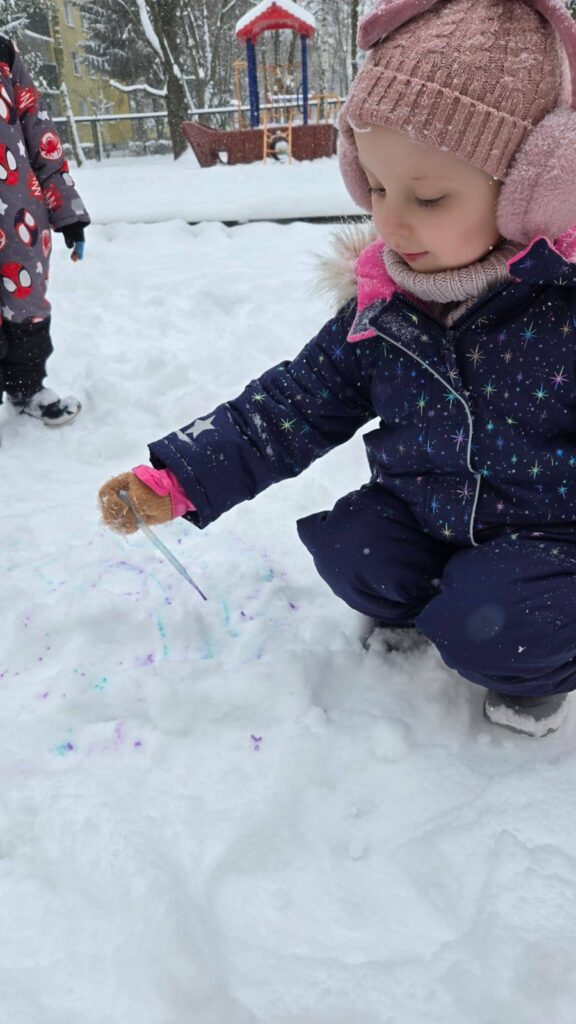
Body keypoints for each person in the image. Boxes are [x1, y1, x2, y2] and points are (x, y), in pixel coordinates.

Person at [99, 0, 576, 738]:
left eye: (428, 196)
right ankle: (440, 608)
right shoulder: (384, 310)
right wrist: (180, 478)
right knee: (352, 543)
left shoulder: (563, 312)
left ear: (530, 189)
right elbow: (289, 406)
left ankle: (534, 676)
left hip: (550, 550)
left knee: (505, 617)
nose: (391, 222)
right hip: (431, 519)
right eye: (377, 188)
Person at [0, 35, 89, 427]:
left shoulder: (3, 54)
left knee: (26, 306)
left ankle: (26, 388)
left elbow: (38, 127)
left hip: (18, 216)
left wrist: (66, 209)